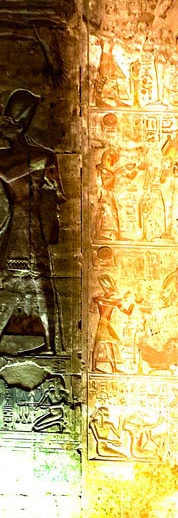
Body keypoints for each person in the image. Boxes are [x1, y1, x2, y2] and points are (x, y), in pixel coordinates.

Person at [0, 90, 65, 354]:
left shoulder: (42, 156)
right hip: (17, 226)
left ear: (20, 124)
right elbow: (10, 177)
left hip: (31, 228)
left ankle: (51, 344)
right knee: (13, 283)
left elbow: (56, 195)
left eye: (8, 121)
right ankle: (49, 344)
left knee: (38, 285)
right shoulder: (33, 158)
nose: (2, 126)